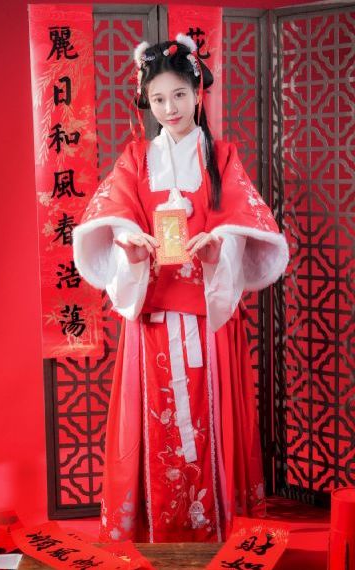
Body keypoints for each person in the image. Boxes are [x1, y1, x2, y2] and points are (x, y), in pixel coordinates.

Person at [73, 33, 289, 543]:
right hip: (152, 317)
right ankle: (154, 530)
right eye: (158, 99)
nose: (169, 108)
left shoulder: (223, 157)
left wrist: (217, 249)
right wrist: (129, 248)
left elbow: (242, 224)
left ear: (198, 94)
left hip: (206, 320)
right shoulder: (136, 159)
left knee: (211, 419)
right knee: (154, 423)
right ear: (147, 102)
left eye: (179, 95)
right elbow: (114, 218)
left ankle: (216, 529)